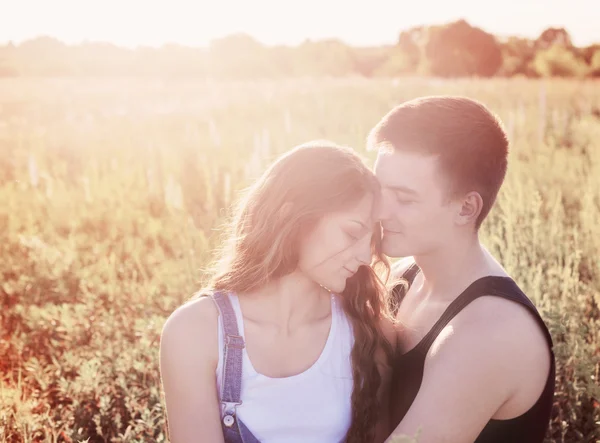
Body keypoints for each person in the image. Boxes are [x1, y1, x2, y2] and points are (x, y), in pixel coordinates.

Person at [159, 141, 396, 443]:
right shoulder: (195, 332)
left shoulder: (370, 332)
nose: (365, 256)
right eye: (352, 233)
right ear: (292, 217)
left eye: (371, 239)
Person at [369, 96, 555, 443]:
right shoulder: (402, 276)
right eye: (378, 189)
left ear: (466, 208)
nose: (379, 209)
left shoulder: (491, 333)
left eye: (405, 198)